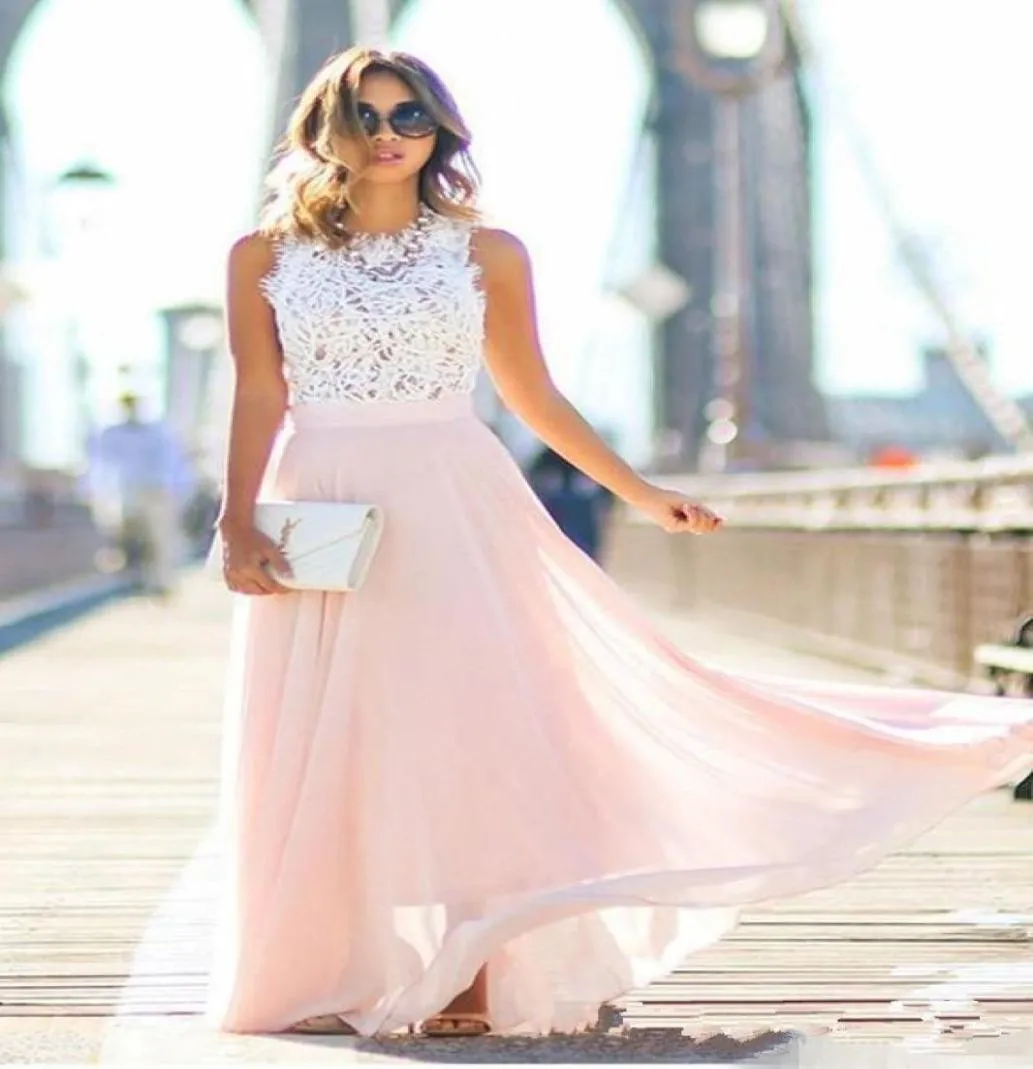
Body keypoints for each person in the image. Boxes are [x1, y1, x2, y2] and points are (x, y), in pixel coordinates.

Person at [208, 47, 1033, 1040]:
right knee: (336, 739)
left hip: (452, 503)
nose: (389, 136)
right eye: (367, 116)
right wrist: (236, 515)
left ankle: (472, 968)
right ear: (320, 132)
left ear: (441, 133)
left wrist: (638, 491)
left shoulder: (487, 253)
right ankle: (339, 960)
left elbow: (533, 394)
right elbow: (260, 391)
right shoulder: (261, 256)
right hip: (322, 501)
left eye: (411, 117)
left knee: (467, 731)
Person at [88, 393, 195, 597]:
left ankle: (162, 583)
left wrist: (177, 491)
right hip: (125, 493)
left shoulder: (157, 432)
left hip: (157, 492)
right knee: (125, 536)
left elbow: (172, 463)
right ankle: (132, 580)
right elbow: (100, 465)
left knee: (160, 539)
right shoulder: (110, 433)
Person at [526, 443, 615, 562]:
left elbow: (607, 497)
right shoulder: (547, 458)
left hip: (583, 523)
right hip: (557, 521)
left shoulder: (592, 459)